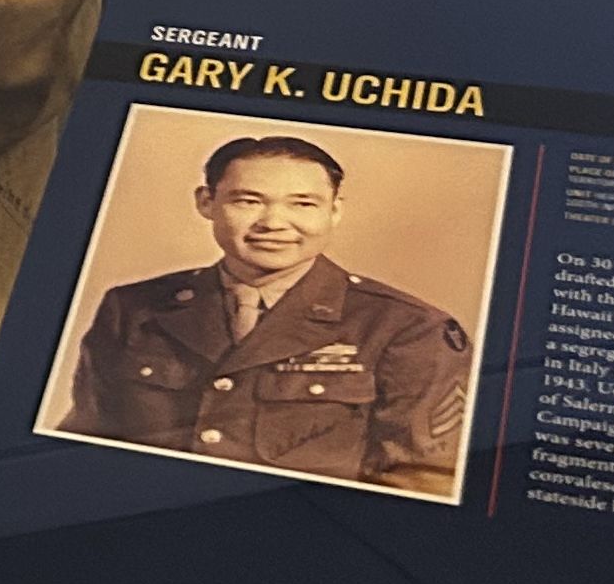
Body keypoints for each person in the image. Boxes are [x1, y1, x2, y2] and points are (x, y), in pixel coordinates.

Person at [58, 134, 472, 497]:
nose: (274, 223)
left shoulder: (408, 328)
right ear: (207, 202)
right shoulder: (132, 308)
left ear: (334, 210)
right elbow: (86, 445)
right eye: (248, 201)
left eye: (303, 203)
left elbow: (423, 480)